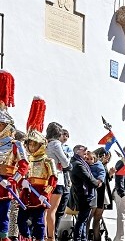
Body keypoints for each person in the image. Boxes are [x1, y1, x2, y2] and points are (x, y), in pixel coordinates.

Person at [18, 97, 56, 241]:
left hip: (39, 194)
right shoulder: (26, 159)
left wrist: (45, 194)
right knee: (21, 220)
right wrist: (22, 182)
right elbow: (21, 172)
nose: (31, 147)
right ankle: (26, 238)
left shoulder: (48, 160)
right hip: (27, 193)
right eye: (30, 145)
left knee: (39, 223)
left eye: (35, 145)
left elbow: (53, 180)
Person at [0, 73, 29, 241]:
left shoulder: (15, 145)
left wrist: (12, 180)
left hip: (6, 186)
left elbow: (24, 166)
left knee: (3, 215)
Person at [70, 145, 102, 241]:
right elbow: (88, 177)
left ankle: (83, 238)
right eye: (83, 153)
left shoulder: (78, 162)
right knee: (82, 219)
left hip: (83, 194)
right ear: (77, 152)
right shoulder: (78, 164)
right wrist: (97, 183)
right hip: (83, 194)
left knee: (84, 219)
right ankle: (78, 238)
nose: (85, 155)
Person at [45, 122, 69, 241]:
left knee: (45, 210)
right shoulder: (56, 144)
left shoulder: (44, 143)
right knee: (52, 211)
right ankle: (51, 237)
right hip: (56, 179)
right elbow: (65, 162)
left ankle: (44, 235)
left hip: (44, 180)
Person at [91, 148, 113, 241]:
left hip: (103, 194)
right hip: (95, 193)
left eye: (108, 158)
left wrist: (110, 175)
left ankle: (97, 238)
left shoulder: (104, 166)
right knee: (89, 218)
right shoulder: (93, 164)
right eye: (105, 157)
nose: (107, 160)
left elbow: (105, 179)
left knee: (97, 219)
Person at [54, 129, 73, 235]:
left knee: (60, 210)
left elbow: (67, 162)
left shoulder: (67, 149)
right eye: (64, 135)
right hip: (56, 178)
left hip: (65, 180)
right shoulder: (54, 146)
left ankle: (55, 232)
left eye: (67, 136)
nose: (65, 137)